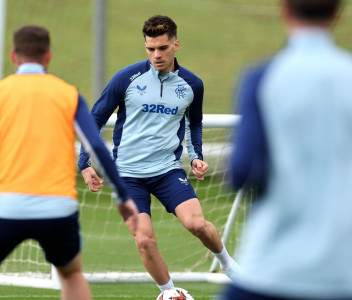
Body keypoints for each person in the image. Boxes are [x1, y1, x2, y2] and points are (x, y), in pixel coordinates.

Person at [223, 0, 352, 299]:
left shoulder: (261, 78)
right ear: (337, 12)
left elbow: (240, 174)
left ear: (284, 10)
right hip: (346, 279)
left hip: (269, 272)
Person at [0, 25, 138, 300]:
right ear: (48, 56)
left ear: (14, 56)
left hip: (5, 209)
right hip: (58, 210)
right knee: (72, 274)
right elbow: (96, 146)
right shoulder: (68, 95)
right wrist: (122, 195)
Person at [78, 15, 239, 292]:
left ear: (176, 45)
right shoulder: (126, 78)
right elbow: (95, 119)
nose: (156, 55)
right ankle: (170, 293)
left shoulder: (192, 85)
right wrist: (85, 161)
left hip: (167, 170)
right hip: (127, 176)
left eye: (162, 48)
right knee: (144, 240)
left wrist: (196, 155)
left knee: (197, 224)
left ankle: (228, 265)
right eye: (150, 49)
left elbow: (195, 122)